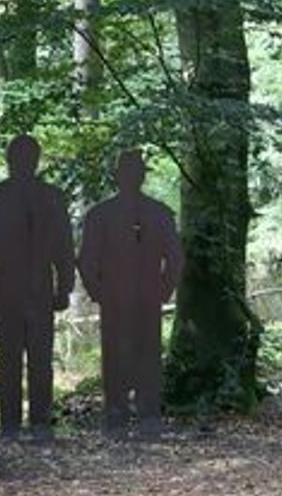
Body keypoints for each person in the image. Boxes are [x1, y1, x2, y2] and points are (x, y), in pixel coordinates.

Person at [0, 134, 75, 441]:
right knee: (13, 359)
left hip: (31, 287)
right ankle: (14, 424)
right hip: (12, 288)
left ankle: (32, 423)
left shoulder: (47, 197)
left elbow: (64, 248)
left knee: (34, 358)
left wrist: (64, 287)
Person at [79, 150, 184, 440]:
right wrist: (99, 292)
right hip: (129, 296)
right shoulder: (105, 215)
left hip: (131, 297)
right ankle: (131, 415)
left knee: (137, 353)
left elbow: (175, 258)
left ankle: (133, 415)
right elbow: (86, 260)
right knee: (130, 353)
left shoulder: (148, 213)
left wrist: (162, 289)